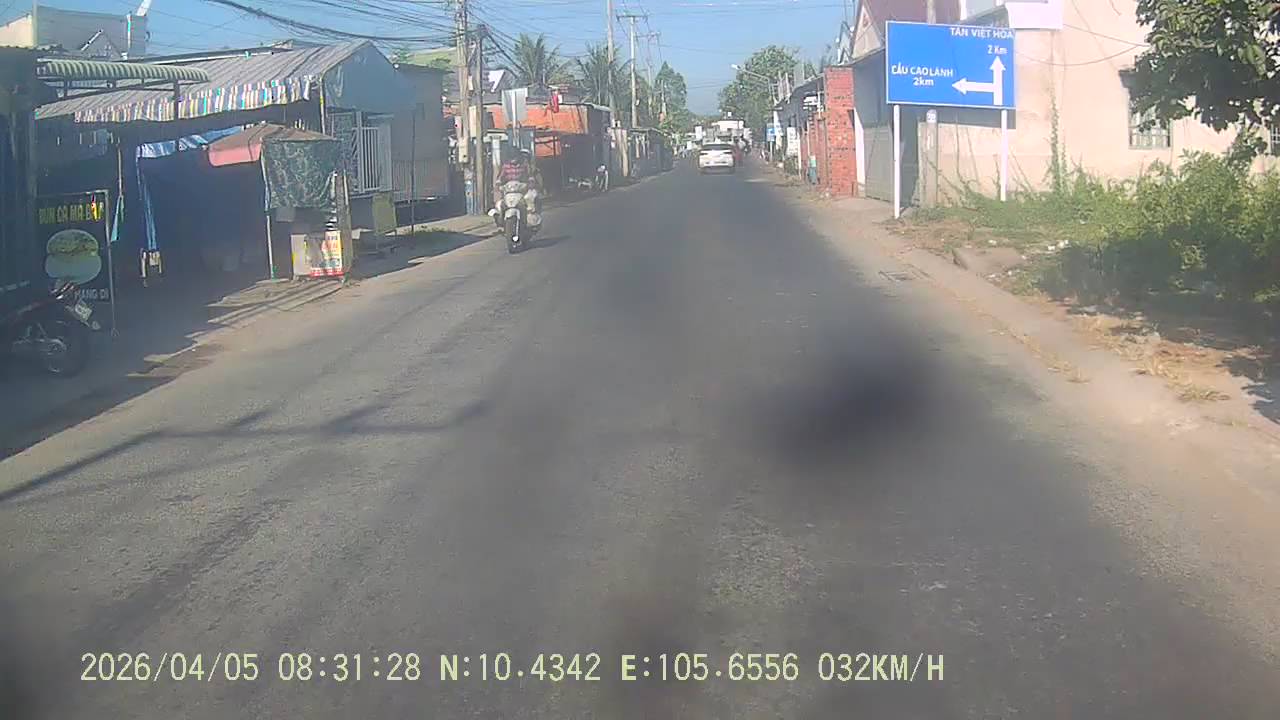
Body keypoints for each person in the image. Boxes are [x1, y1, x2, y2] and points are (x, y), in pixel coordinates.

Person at [492, 148, 543, 230]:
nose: (513, 160)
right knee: (499, 205)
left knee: (530, 201)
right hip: (509, 191)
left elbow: (530, 176)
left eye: (515, 157)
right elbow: (500, 177)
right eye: (511, 157)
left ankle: (531, 221)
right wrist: (498, 184)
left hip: (522, 191)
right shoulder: (505, 166)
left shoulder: (524, 165)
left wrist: (530, 182)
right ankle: (500, 222)